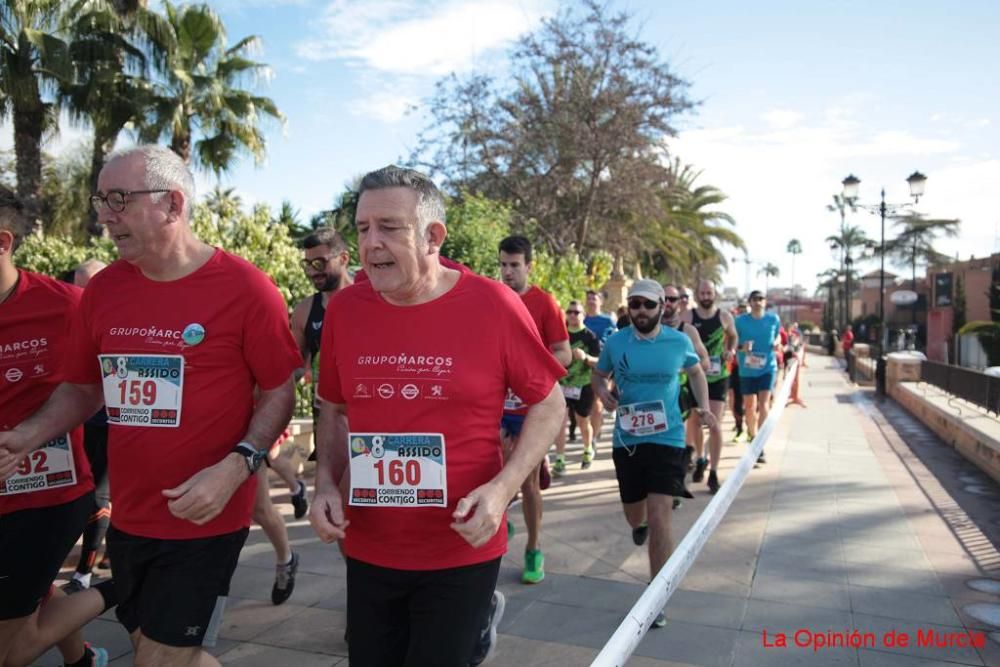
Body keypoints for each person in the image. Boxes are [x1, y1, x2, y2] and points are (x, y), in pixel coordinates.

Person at [0, 146, 302, 665]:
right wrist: (24, 437)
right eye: (100, 200)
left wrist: (237, 467)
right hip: (133, 516)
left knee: (161, 657)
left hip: (206, 515)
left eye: (118, 198)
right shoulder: (104, 291)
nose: (103, 215)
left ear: (172, 204)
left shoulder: (248, 289)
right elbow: (82, 388)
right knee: (159, 649)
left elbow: (279, 390)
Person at [307, 166, 565, 667]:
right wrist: (323, 484)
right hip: (368, 545)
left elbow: (549, 402)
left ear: (433, 235)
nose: (371, 243)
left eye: (389, 227)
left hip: (460, 547)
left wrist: (503, 488)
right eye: (362, 229)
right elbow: (333, 410)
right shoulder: (345, 310)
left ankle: (477, 627)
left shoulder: (493, 304)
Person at [0, 187, 112, 667]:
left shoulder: (67, 305)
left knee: (8, 650)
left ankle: (128, 584)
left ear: (3, 242)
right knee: (32, 593)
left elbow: (107, 387)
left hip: (46, 497)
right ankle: (82, 660)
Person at [592, 280, 717, 628]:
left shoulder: (678, 342)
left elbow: (695, 370)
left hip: (669, 437)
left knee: (661, 512)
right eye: (635, 305)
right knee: (636, 514)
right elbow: (598, 375)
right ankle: (639, 523)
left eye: (648, 305)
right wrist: (603, 393)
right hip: (628, 440)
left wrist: (703, 407)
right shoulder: (616, 342)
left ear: (663, 305)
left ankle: (656, 595)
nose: (641, 312)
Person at [497, 235, 571, 584]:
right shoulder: (492, 299)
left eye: (514, 265)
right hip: (496, 406)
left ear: (529, 266)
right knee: (490, 469)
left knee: (527, 481)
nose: (508, 272)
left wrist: (528, 376)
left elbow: (563, 353)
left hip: (530, 408)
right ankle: (500, 518)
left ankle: (534, 548)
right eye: (503, 265)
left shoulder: (545, 303)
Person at [290, 227, 353, 466]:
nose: (312, 271)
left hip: (368, 414)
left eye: (319, 263)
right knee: (328, 488)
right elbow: (294, 368)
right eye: (307, 264)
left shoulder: (374, 298)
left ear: (343, 258)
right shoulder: (305, 310)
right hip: (328, 416)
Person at [682, 280, 738, 493]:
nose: (706, 296)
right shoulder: (688, 317)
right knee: (695, 422)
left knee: (714, 423)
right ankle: (700, 458)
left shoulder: (724, 316)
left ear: (715, 294)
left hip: (718, 376)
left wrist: (729, 351)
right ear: (697, 295)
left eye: (709, 292)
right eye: (702, 292)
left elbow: (733, 336)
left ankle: (714, 472)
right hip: (695, 376)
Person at [553, 300, 600, 474]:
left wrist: (586, 357)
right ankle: (560, 459)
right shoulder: (561, 334)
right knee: (560, 423)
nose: (572, 315)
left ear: (583, 315)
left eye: (576, 312)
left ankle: (588, 448)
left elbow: (599, 361)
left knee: (582, 421)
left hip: (583, 385)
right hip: (562, 384)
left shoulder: (590, 336)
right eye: (570, 312)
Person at [735, 290, 782, 464]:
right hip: (747, 370)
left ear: (765, 302)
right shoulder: (740, 321)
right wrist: (742, 346)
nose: (758, 302)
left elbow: (777, 335)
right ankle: (752, 435)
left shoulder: (773, 319)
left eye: (761, 299)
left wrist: (777, 342)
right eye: (754, 299)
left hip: (767, 368)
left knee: (763, 405)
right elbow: (731, 343)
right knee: (750, 406)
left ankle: (759, 445)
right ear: (749, 302)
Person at [583, 290, 617, 443]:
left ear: (601, 301)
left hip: (602, 365)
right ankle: (594, 429)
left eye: (594, 298)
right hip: (583, 366)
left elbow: (616, 341)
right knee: (589, 405)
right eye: (588, 298)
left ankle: (593, 439)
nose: (591, 301)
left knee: (597, 404)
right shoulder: (580, 318)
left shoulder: (607, 320)